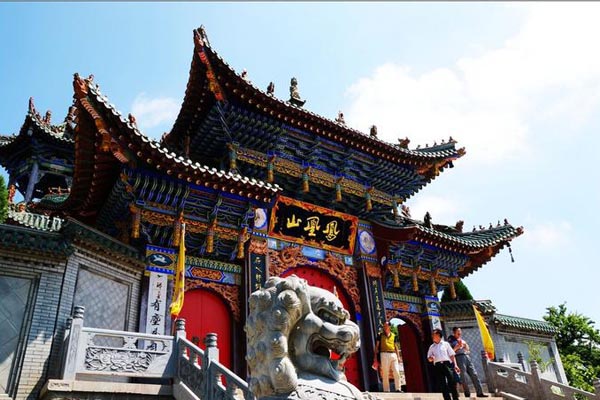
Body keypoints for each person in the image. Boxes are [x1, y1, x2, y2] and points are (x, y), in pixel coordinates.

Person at [448, 327, 488, 398]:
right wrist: (457, 347)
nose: (460, 333)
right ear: (454, 333)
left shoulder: (462, 340)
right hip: (459, 357)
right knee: (463, 376)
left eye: (460, 331)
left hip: (466, 357)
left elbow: (468, 349)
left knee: (474, 374)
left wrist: (465, 347)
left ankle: (480, 392)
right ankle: (467, 393)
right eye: (458, 331)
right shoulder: (451, 340)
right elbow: (451, 352)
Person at [427, 328, 460, 400]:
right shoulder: (432, 347)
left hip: (447, 364)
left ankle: (455, 398)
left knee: (452, 382)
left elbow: (452, 355)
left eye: (434, 334)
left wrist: (455, 365)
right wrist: (431, 358)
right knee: (442, 384)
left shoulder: (446, 344)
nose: (432, 336)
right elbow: (429, 358)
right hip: (438, 365)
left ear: (438, 335)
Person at [373, 321, 402, 392]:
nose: (385, 327)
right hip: (384, 354)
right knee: (385, 372)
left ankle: (398, 388)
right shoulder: (380, 335)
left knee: (396, 371)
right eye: (384, 326)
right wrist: (375, 357)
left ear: (389, 327)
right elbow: (377, 347)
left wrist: (398, 356)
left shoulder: (393, 335)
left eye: (386, 326)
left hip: (393, 354)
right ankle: (386, 390)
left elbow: (396, 347)